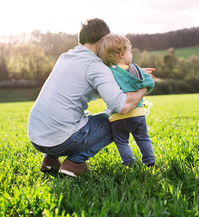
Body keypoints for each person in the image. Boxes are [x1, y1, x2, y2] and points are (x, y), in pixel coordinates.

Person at [27, 18, 152, 177]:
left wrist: (133, 74)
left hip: (36, 136)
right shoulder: (95, 66)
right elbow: (123, 106)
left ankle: (50, 160)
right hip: (60, 140)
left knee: (72, 115)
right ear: (103, 40)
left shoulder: (66, 57)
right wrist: (144, 86)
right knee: (118, 120)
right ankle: (75, 163)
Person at [97, 33, 155, 167]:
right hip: (136, 114)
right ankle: (149, 162)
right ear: (121, 54)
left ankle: (128, 163)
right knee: (143, 138)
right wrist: (145, 85)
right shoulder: (135, 70)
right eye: (130, 51)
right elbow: (150, 83)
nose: (131, 54)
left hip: (116, 117)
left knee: (122, 142)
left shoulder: (107, 73)